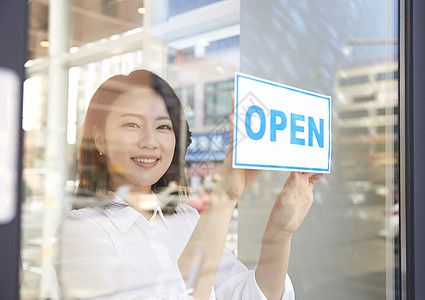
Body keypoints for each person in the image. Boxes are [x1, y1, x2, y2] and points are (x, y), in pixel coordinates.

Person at [53, 69, 323, 300]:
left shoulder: (187, 219)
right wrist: (224, 197)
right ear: (99, 140)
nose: (150, 141)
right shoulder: (80, 231)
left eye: (163, 127)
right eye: (132, 124)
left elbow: (243, 294)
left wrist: (279, 235)